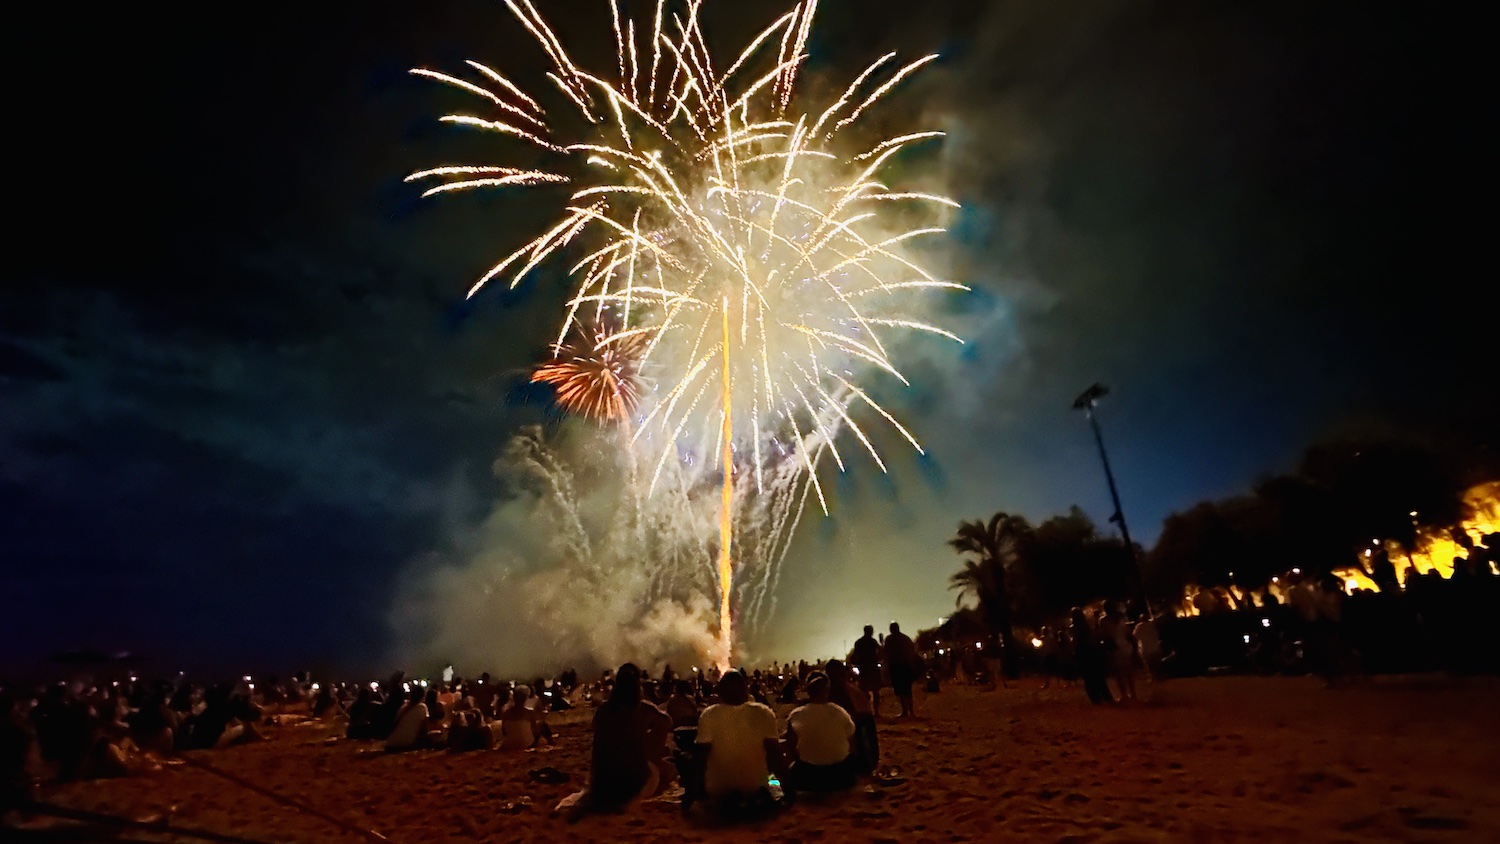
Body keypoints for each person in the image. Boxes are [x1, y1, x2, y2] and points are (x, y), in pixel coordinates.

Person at [586, 663, 675, 812]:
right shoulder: (644, 709)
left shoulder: (604, 709)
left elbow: (596, 731)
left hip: (602, 785)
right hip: (634, 784)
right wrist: (650, 739)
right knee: (669, 770)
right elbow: (667, 722)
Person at [693, 670, 783, 809]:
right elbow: (775, 756)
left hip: (718, 790)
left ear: (720, 692)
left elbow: (700, 758)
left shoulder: (709, 715)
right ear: (745, 689)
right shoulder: (764, 712)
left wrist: (695, 793)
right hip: (758, 787)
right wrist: (786, 790)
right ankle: (774, 796)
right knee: (773, 777)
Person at [784, 673, 856, 795]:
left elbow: (790, 744)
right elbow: (853, 742)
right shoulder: (838, 711)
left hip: (811, 776)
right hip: (841, 775)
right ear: (827, 692)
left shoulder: (797, 714)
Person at [825, 659, 878, 774]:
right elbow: (853, 708)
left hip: (843, 720)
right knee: (863, 724)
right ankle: (867, 765)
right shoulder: (842, 688)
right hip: (849, 721)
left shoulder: (833, 688)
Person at [1071, 607, 1112, 705]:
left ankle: (1096, 698)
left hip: (1082, 652)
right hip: (1091, 650)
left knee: (1088, 677)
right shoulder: (1088, 625)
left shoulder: (1073, 628)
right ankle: (1106, 696)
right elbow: (1094, 637)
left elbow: (1074, 642)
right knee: (1098, 675)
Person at [1099, 603, 1137, 702]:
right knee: (1129, 672)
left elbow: (1103, 635)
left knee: (1119, 673)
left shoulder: (1104, 621)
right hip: (1126, 646)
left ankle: (1124, 695)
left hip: (1115, 648)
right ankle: (1133, 694)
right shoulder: (1122, 617)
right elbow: (1128, 632)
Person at [883, 622, 921, 717]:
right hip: (906, 666)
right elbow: (912, 651)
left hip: (896, 666)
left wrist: (886, 668)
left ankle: (905, 711)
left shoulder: (889, 639)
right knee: (907, 689)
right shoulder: (906, 638)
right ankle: (911, 711)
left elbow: (886, 654)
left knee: (900, 690)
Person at [848, 626, 883, 718]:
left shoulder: (859, 642)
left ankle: (867, 710)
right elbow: (880, 652)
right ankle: (875, 711)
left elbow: (854, 656)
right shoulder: (872, 642)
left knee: (864, 691)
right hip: (871, 667)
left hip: (863, 668)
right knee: (874, 691)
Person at [384, 687, 430, 751]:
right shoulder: (422, 707)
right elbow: (424, 728)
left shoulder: (404, 707)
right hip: (406, 743)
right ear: (423, 696)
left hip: (391, 742)